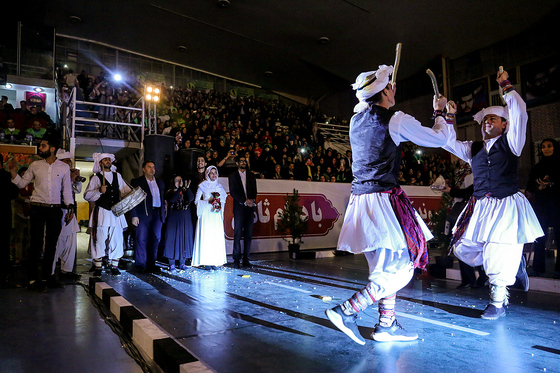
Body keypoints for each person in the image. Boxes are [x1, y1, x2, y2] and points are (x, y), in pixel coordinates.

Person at [325, 64, 452, 344]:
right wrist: (442, 113)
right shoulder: (394, 119)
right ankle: (347, 310)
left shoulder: (356, 119)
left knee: (385, 267)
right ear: (385, 91)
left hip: (363, 201)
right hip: (383, 201)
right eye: (391, 85)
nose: (395, 89)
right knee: (401, 267)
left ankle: (386, 324)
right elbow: (440, 138)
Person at [443, 69, 544, 320]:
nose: (487, 122)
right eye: (485, 119)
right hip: (480, 206)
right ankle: (516, 261)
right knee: (464, 246)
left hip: (506, 203)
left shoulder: (513, 142)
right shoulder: (473, 148)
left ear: (504, 124)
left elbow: (519, 111)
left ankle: (497, 302)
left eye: (493, 119)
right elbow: (446, 142)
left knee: (498, 251)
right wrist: (447, 117)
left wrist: (506, 86)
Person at [9, 135, 74, 290]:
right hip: (37, 208)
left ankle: (48, 277)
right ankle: (33, 279)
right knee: (36, 244)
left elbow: (66, 190)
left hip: (55, 209)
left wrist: (70, 208)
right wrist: (12, 171)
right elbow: (22, 183)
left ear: (52, 149)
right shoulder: (35, 165)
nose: (40, 148)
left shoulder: (63, 167)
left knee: (52, 245)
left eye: (43, 146)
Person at [84, 153, 131, 276]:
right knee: (99, 238)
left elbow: (125, 190)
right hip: (102, 212)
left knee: (116, 238)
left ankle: (114, 266)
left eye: (109, 159)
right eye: (105, 159)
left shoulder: (118, 176)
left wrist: (131, 194)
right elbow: (87, 195)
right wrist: (99, 191)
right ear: (100, 163)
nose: (107, 161)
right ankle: (98, 266)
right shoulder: (96, 178)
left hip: (115, 212)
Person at [525, 138, 560, 278]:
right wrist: (540, 186)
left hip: (557, 205)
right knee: (539, 236)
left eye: (549, 146)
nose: (546, 149)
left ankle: (558, 269)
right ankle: (538, 267)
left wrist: (551, 183)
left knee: (559, 236)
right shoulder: (537, 167)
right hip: (542, 206)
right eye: (544, 147)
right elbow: (530, 187)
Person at [131, 160, 165, 273]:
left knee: (155, 239)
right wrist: (134, 215)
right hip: (143, 213)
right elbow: (132, 200)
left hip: (157, 213)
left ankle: (151, 263)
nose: (152, 169)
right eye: (149, 167)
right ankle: (140, 264)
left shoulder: (160, 182)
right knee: (141, 239)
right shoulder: (137, 181)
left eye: (153, 167)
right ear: (143, 169)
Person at [53, 150, 83, 279]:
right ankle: (51, 270)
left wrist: (76, 180)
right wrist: (70, 178)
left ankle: (67, 270)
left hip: (70, 212)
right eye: (66, 161)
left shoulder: (68, 174)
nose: (68, 164)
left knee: (71, 242)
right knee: (57, 242)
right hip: (58, 211)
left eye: (69, 162)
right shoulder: (54, 174)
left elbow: (78, 190)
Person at [192, 166, 227, 269]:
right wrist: (208, 202)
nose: (213, 175)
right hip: (206, 214)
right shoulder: (202, 185)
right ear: (207, 174)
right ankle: (206, 261)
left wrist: (219, 206)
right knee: (207, 236)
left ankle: (214, 261)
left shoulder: (220, 187)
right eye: (211, 173)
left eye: (215, 172)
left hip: (216, 215)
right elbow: (196, 201)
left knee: (215, 237)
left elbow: (224, 200)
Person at [227, 155, 257, 268]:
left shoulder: (251, 176)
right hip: (239, 208)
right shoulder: (232, 176)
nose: (243, 163)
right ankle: (236, 259)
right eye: (241, 161)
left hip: (249, 208)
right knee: (238, 234)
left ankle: (246, 259)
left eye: (245, 161)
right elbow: (233, 192)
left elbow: (254, 191)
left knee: (248, 234)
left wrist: (251, 201)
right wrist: (244, 201)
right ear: (237, 163)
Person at [163, 175, 195, 270]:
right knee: (172, 238)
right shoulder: (169, 192)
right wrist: (180, 188)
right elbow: (172, 199)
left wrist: (187, 188)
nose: (179, 182)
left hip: (185, 217)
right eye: (177, 180)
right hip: (174, 217)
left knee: (184, 238)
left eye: (181, 180)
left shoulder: (185, 192)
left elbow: (191, 198)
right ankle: (171, 263)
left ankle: (182, 262)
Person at [0, 154, 20, 285]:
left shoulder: (7, 177)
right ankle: (4, 271)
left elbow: (14, 193)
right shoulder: (7, 177)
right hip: (4, 214)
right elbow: (14, 193)